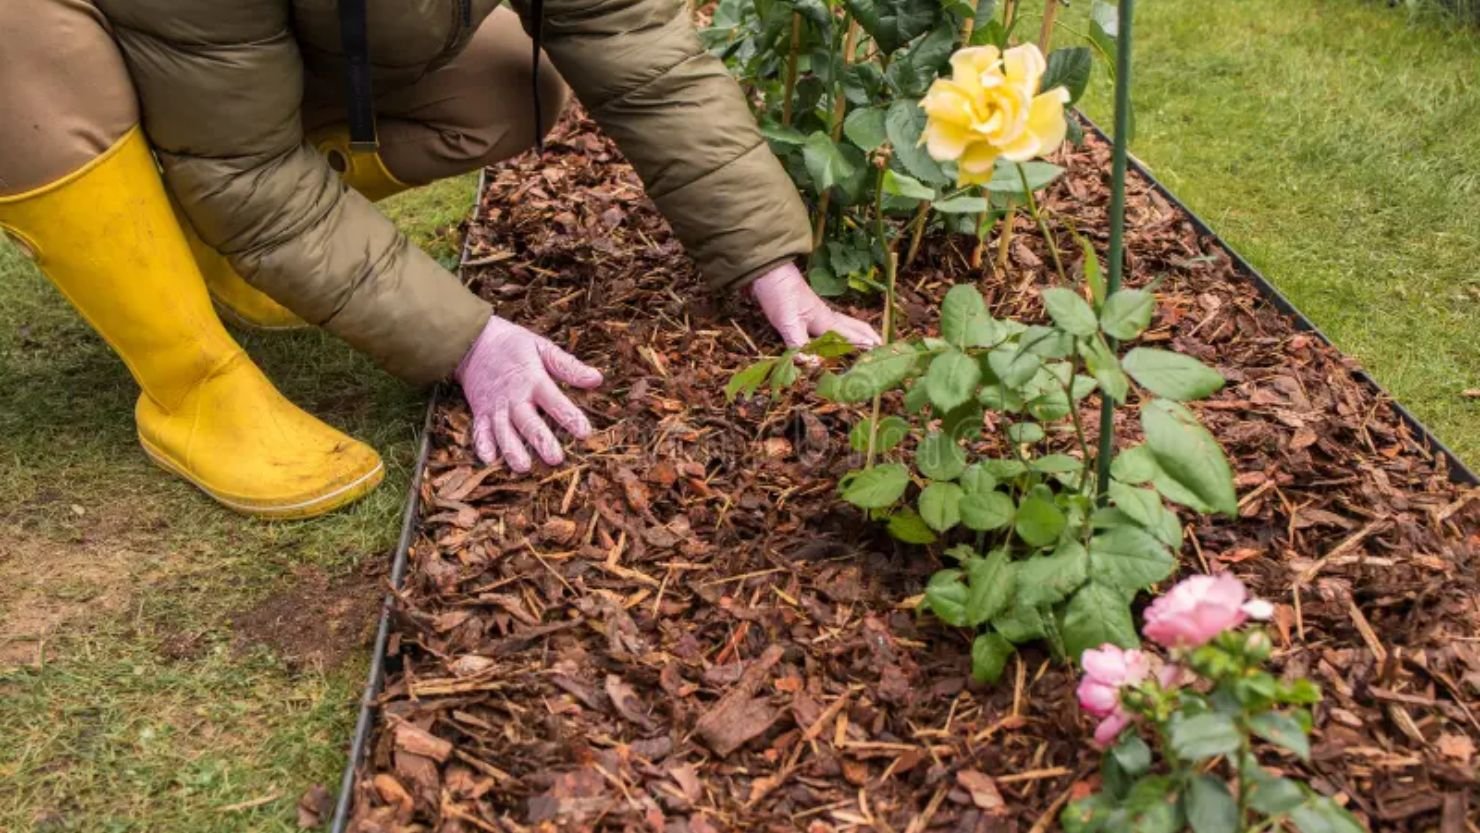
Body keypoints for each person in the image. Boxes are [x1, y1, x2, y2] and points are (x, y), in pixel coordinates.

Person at [0, 0, 881, 519]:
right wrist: (467, 339)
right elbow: (247, 169)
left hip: (233, 63)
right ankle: (190, 379)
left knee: (506, 84)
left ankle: (211, 250)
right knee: (20, 47)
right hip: (85, 49)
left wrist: (768, 259)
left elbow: (632, 42)